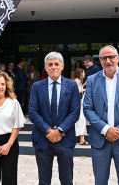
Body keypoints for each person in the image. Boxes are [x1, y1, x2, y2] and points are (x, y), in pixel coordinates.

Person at [83, 45, 119, 185]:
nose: (108, 61)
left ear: (117, 58)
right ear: (100, 60)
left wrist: (118, 130)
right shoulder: (92, 80)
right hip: (100, 139)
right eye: (104, 58)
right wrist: (106, 129)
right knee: (100, 181)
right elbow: (87, 108)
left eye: (111, 57)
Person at [29, 51, 80, 185]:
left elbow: (75, 112)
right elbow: (33, 112)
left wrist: (59, 130)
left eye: (56, 64)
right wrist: (48, 131)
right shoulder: (37, 86)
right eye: (50, 64)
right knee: (44, 181)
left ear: (62, 66)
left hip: (65, 139)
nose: (53, 67)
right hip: (43, 139)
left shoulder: (72, 85)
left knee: (66, 180)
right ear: (45, 68)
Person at [74, 68, 88, 145]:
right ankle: (82, 139)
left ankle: (82, 139)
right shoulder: (77, 80)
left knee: (82, 120)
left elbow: (79, 88)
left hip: (80, 103)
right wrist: (85, 90)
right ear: (80, 73)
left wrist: (84, 85)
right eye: (83, 72)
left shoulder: (79, 81)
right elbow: (75, 90)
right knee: (81, 120)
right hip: (78, 103)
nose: (84, 73)